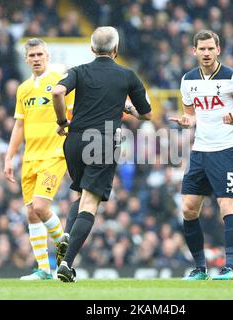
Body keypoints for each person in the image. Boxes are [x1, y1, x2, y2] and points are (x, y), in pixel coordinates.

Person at [52, 26, 152, 282]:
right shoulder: (127, 75)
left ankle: (66, 234)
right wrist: (128, 109)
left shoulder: (78, 71)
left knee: (82, 194)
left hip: (73, 140)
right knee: (90, 202)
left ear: (92, 48)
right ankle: (66, 265)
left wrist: (62, 120)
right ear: (116, 50)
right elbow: (147, 113)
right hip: (102, 141)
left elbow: (57, 91)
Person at [170, 30, 233, 280]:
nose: (206, 53)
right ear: (193, 51)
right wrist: (187, 120)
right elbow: (191, 114)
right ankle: (200, 268)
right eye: (201, 49)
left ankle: (231, 268)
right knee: (188, 209)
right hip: (200, 150)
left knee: (226, 205)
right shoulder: (188, 80)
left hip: (226, 149)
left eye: (210, 49)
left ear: (218, 50)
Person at [4, 38, 74, 280]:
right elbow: (19, 125)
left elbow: (73, 114)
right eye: (31, 55)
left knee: (41, 207)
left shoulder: (59, 82)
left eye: (39, 54)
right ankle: (44, 269)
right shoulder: (23, 89)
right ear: (26, 59)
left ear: (47, 56)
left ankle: (65, 243)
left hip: (54, 153)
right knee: (32, 213)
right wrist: (9, 156)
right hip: (30, 156)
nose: (36, 59)